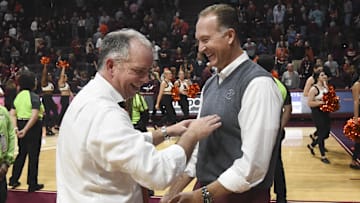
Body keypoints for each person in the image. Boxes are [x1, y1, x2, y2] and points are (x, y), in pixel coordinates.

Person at [56, 28, 222, 203]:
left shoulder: (89, 97)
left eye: (148, 72)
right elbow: (159, 173)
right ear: (111, 66)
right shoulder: (106, 113)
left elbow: (119, 144)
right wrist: (192, 135)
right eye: (139, 71)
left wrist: (167, 132)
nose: (146, 80)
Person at [161, 4, 283, 203]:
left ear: (230, 36)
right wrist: (172, 192)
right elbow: (200, 149)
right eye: (199, 41)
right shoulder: (210, 84)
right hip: (208, 192)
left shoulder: (259, 84)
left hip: (241, 198)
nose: (200, 48)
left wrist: (201, 196)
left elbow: (253, 166)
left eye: (206, 40)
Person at [258, 54, 292, 203]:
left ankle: (257, 193)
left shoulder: (253, 84)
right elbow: (288, 109)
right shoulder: (280, 85)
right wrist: (279, 127)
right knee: (277, 163)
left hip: (258, 131)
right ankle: (281, 196)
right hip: (275, 131)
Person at [9, 70, 45, 192]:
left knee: (21, 154)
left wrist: (16, 128)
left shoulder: (18, 97)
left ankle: (13, 179)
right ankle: (32, 183)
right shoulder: (34, 97)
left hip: (20, 123)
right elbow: (35, 115)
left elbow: (12, 114)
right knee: (33, 156)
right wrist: (25, 129)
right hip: (33, 127)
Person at [306, 71, 331, 164]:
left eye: (325, 74)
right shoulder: (314, 89)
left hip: (325, 112)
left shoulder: (325, 87)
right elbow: (309, 103)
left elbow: (329, 97)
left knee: (326, 132)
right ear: (317, 77)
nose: (324, 76)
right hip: (317, 112)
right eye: (322, 75)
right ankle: (323, 156)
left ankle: (312, 145)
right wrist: (321, 102)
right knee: (321, 133)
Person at [0, 105, 15, 203]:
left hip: (1, 165)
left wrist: (7, 162)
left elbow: (10, 135)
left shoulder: (3, 111)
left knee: (2, 197)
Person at [350, 73, 360, 169]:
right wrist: (356, 118)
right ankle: (353, 160)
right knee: (359, 140)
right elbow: (356, 102)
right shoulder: (357, 85)